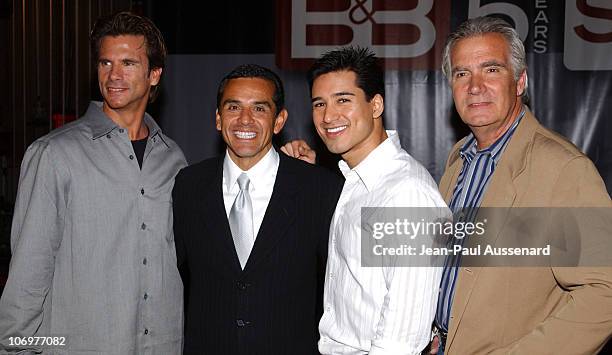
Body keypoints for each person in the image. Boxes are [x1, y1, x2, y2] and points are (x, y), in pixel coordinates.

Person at [0, 12, 186, 354]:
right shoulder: (54, 155)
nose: (113, 75)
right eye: (105, 63)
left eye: (128, 63)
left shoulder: (174, 160)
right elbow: (27, 276)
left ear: (154, 74)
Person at [431, 16, 612, 354]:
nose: (474, 86)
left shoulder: (563, 169)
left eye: (491, 70)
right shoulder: (460, 158)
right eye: (462, 73)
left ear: (520, 82)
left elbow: (605, 292)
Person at [172, 64, 342, 354]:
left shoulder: (320, 189)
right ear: (217, 118)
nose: (244, 120)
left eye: (260, 109)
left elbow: (341, 288)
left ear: (279, 121)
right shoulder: (188, 186)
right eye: (233, 107)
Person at [297, 46, 447, 355]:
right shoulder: (355, 182)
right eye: (319, 104)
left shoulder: (407, 194)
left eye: (343, 100)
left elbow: (401, 339)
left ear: (375, 105)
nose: (328, 116)